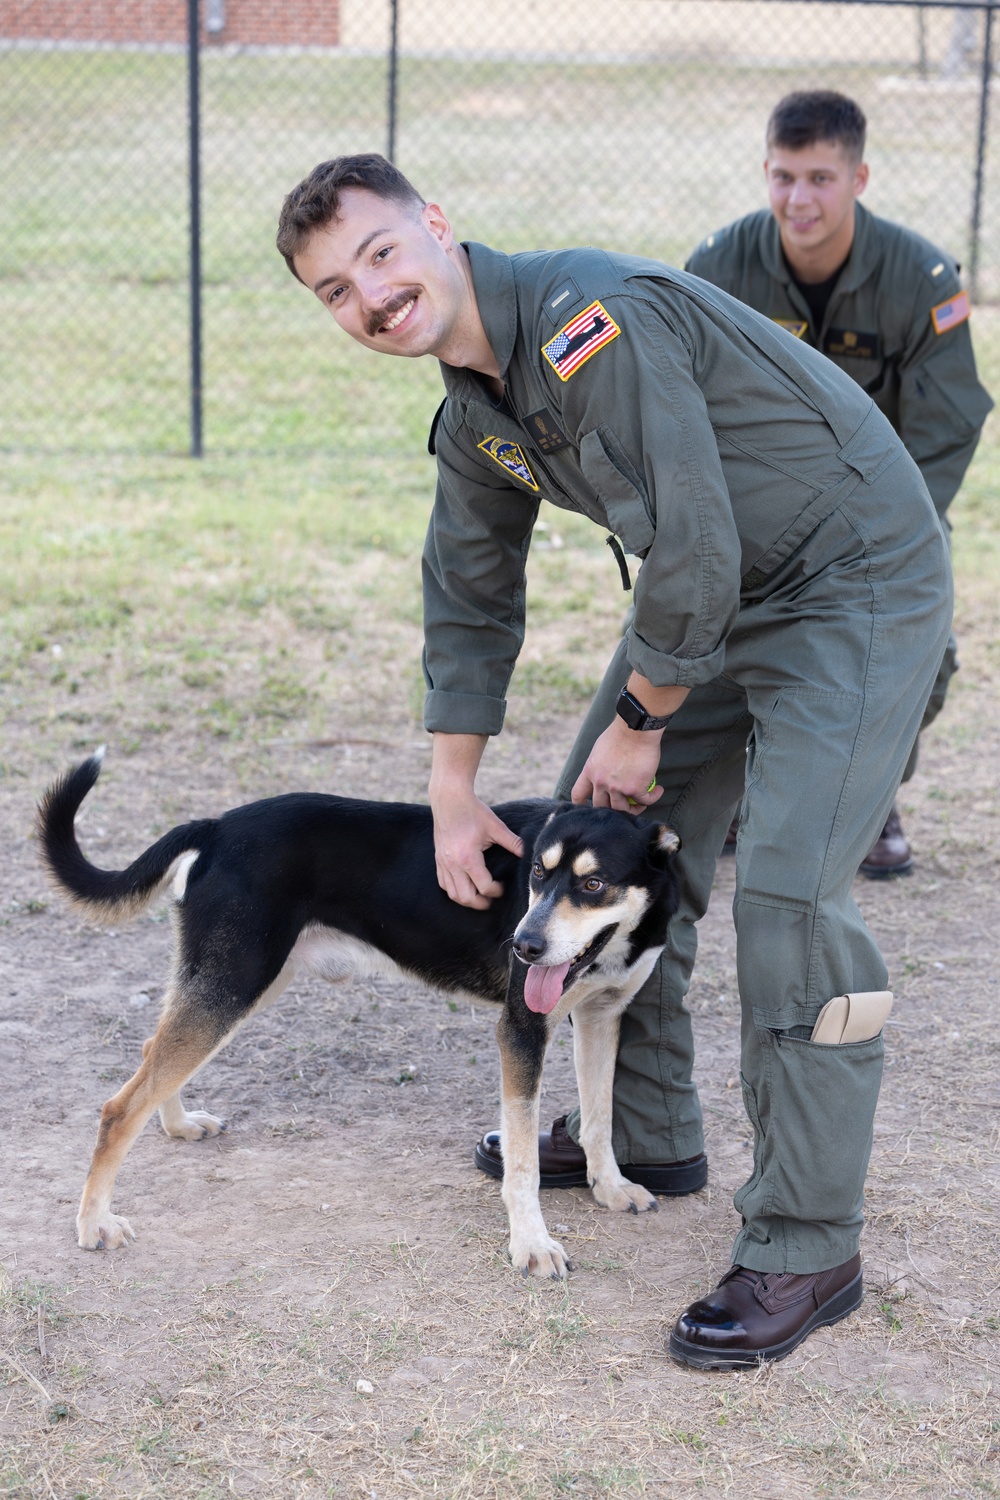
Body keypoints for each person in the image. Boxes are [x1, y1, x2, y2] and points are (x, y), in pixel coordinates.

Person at [276, 154, 952, 1367]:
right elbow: (468, 593)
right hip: (715, 602)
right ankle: (639, 1133)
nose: (370, 298)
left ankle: (807, 1243)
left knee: (789, 898)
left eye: (379, 255)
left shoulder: (595, 324)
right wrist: (449, 785)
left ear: (436, 225)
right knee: (603, 832)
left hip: (852, 577)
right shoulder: (476, 405)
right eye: (334, 291)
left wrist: (644, 717)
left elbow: (692, 540)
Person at [686, 90, 992, 876]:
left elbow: (948, 422)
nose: (800, 200)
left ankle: (868, 788)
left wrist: (881, 534)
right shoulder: (717, 267)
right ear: (765, 171)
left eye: (821, 178)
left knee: (925, 651)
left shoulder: (919, 277)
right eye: (785, 177)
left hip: (886, 512)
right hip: (753, 509)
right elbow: (682, 404)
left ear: (859, 178)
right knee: (701, 630)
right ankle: (730, 787)